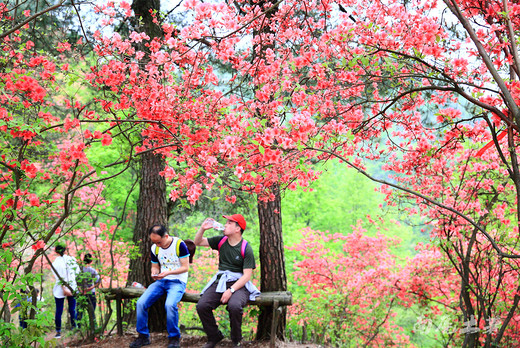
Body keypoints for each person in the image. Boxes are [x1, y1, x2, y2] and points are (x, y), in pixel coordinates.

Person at [195, 214, 260, 348]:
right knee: (202, 306)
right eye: (226, 222)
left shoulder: (245, 248)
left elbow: (247, 276)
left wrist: (231, 290)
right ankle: (214, 336)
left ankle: (236, 340)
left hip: (239, 284)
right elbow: (198, 242)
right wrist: (202, 229)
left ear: (238, 229)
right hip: (221, 281)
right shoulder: (221, 241)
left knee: (234, 306)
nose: (225, 225)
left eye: (229, 223)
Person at [129, 225, 190, 348]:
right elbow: (155, 266)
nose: (157, 245)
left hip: (177, 281)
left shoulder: (179, 244)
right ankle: (143, 336)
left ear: (166, 236)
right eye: (154, 242)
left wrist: (168, 272)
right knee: (141, 303)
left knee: (170, 305)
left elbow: (185, 267)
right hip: (161, 281)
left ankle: (174, 337)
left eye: (159, 242)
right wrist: (154, 273)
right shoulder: (154, 248)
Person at [52, 244, 80, 338]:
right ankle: (74, 328)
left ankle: (58, 331)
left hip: (59, 288)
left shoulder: (55, 263)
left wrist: (63, 287)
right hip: (72, 286)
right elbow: (77, 272)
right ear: (65, 250)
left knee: (59, 310)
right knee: (72, 309)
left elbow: (57, 277)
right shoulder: (72, 259)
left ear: (56, 252)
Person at [77, 253, 101, 327]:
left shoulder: (79, 270)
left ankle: (79, 327)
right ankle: (94, 326)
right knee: (92, 311)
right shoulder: (92, 270)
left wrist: (81, 289)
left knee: (79, 312)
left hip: (80, 293)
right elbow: (98, 281)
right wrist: (90, 288)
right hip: (91, 293)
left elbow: (75, 281)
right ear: (91, 261)